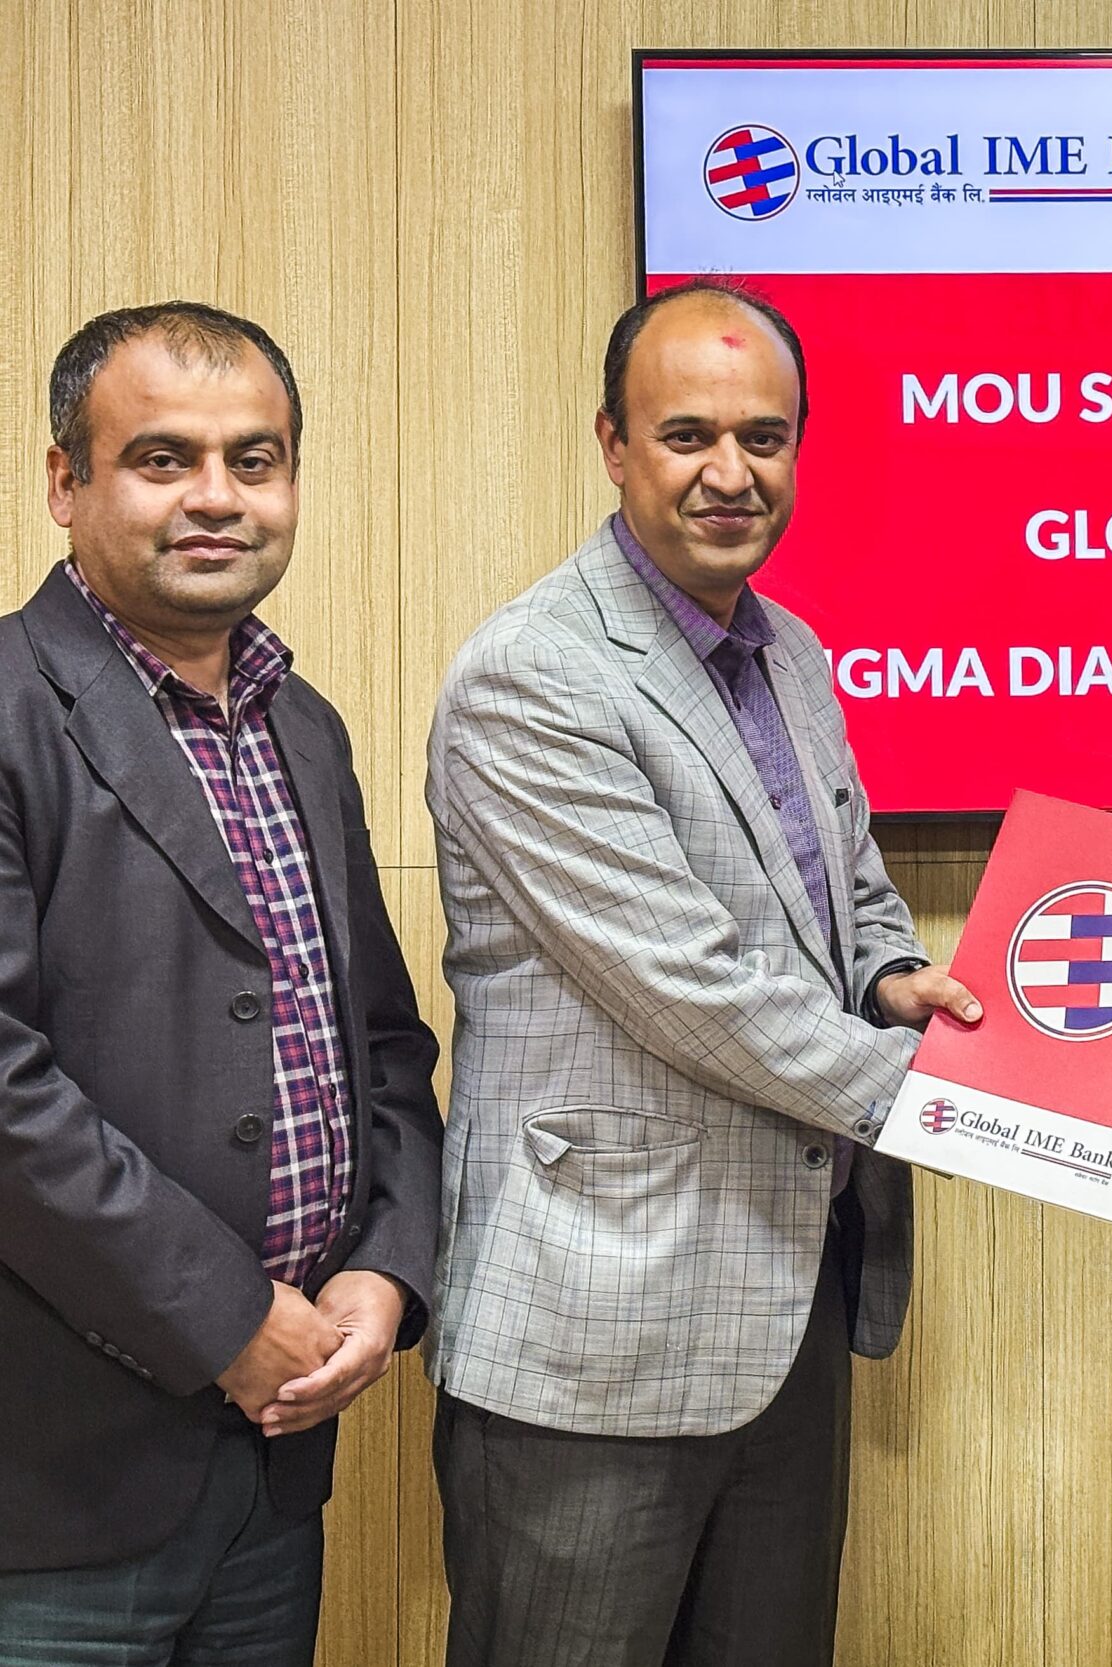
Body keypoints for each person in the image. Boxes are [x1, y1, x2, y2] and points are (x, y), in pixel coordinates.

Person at [424, 279, 978, 1667]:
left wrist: (895, 977)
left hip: (786, 1310)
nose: (732, 474)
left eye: (764, 437)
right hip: (596, 1338)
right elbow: (696, 990)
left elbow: (849, 892)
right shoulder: (534, 674)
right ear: (613, 445)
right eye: (687, 436)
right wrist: (982, 1104)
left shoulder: (791, 654)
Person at [0, 303, 443, 1664]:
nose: (216, 497)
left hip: (272, 1470)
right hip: (55, 1485)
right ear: (66, 480)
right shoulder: (9, 708)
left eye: (256, 460)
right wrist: (230, 1318)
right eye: (163, 459)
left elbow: (380, 1045)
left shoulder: (303, 726)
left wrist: (387, 1269)